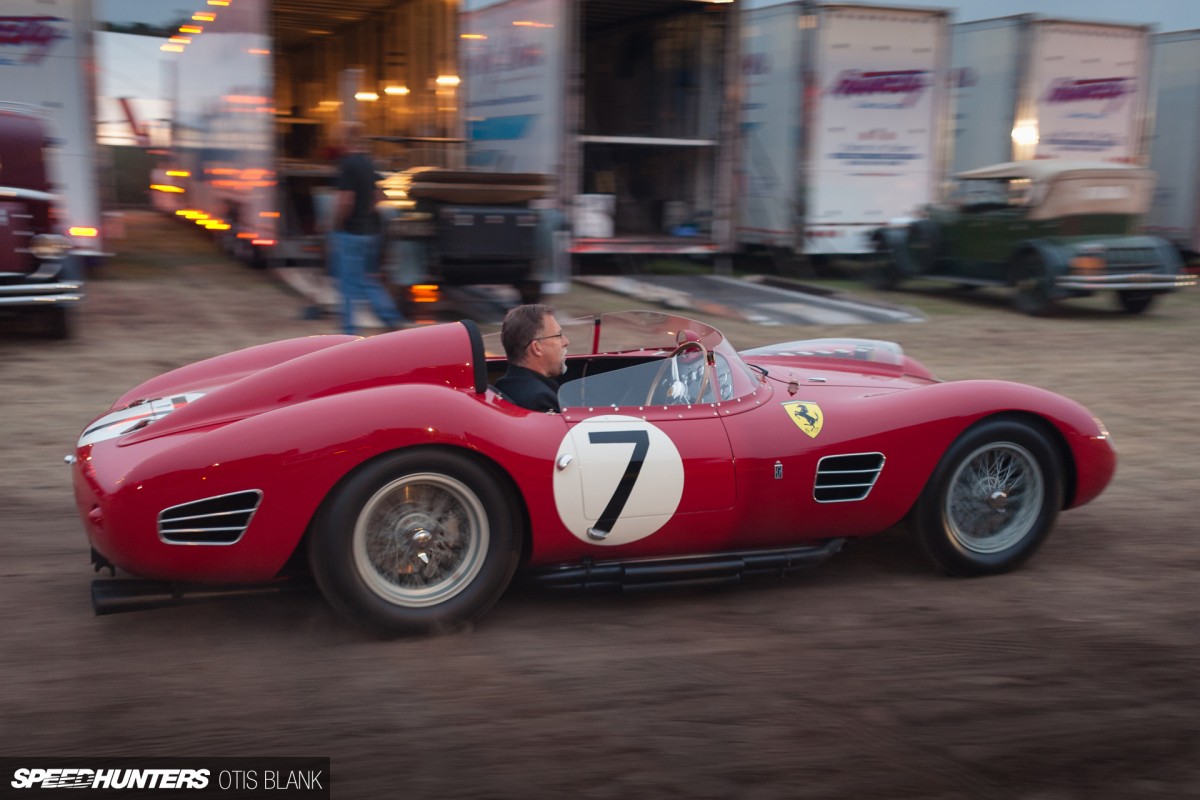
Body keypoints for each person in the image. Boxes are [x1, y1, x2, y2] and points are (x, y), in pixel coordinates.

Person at [329, 121, 405, 335]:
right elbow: (380, 195)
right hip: (370, 232)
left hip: (351, 232)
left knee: (347, 284)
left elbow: (346, 200)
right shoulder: (368, 163)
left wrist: (337, 223)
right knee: (366, 279)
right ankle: (391, 317)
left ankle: (348, 330)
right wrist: (366, 213)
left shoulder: (347, 165)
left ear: (344, 140)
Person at [495, 304, 570, 413]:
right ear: (537, 347)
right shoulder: (541, 400)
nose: (566, 342)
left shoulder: (503, 385)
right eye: (558, 336)